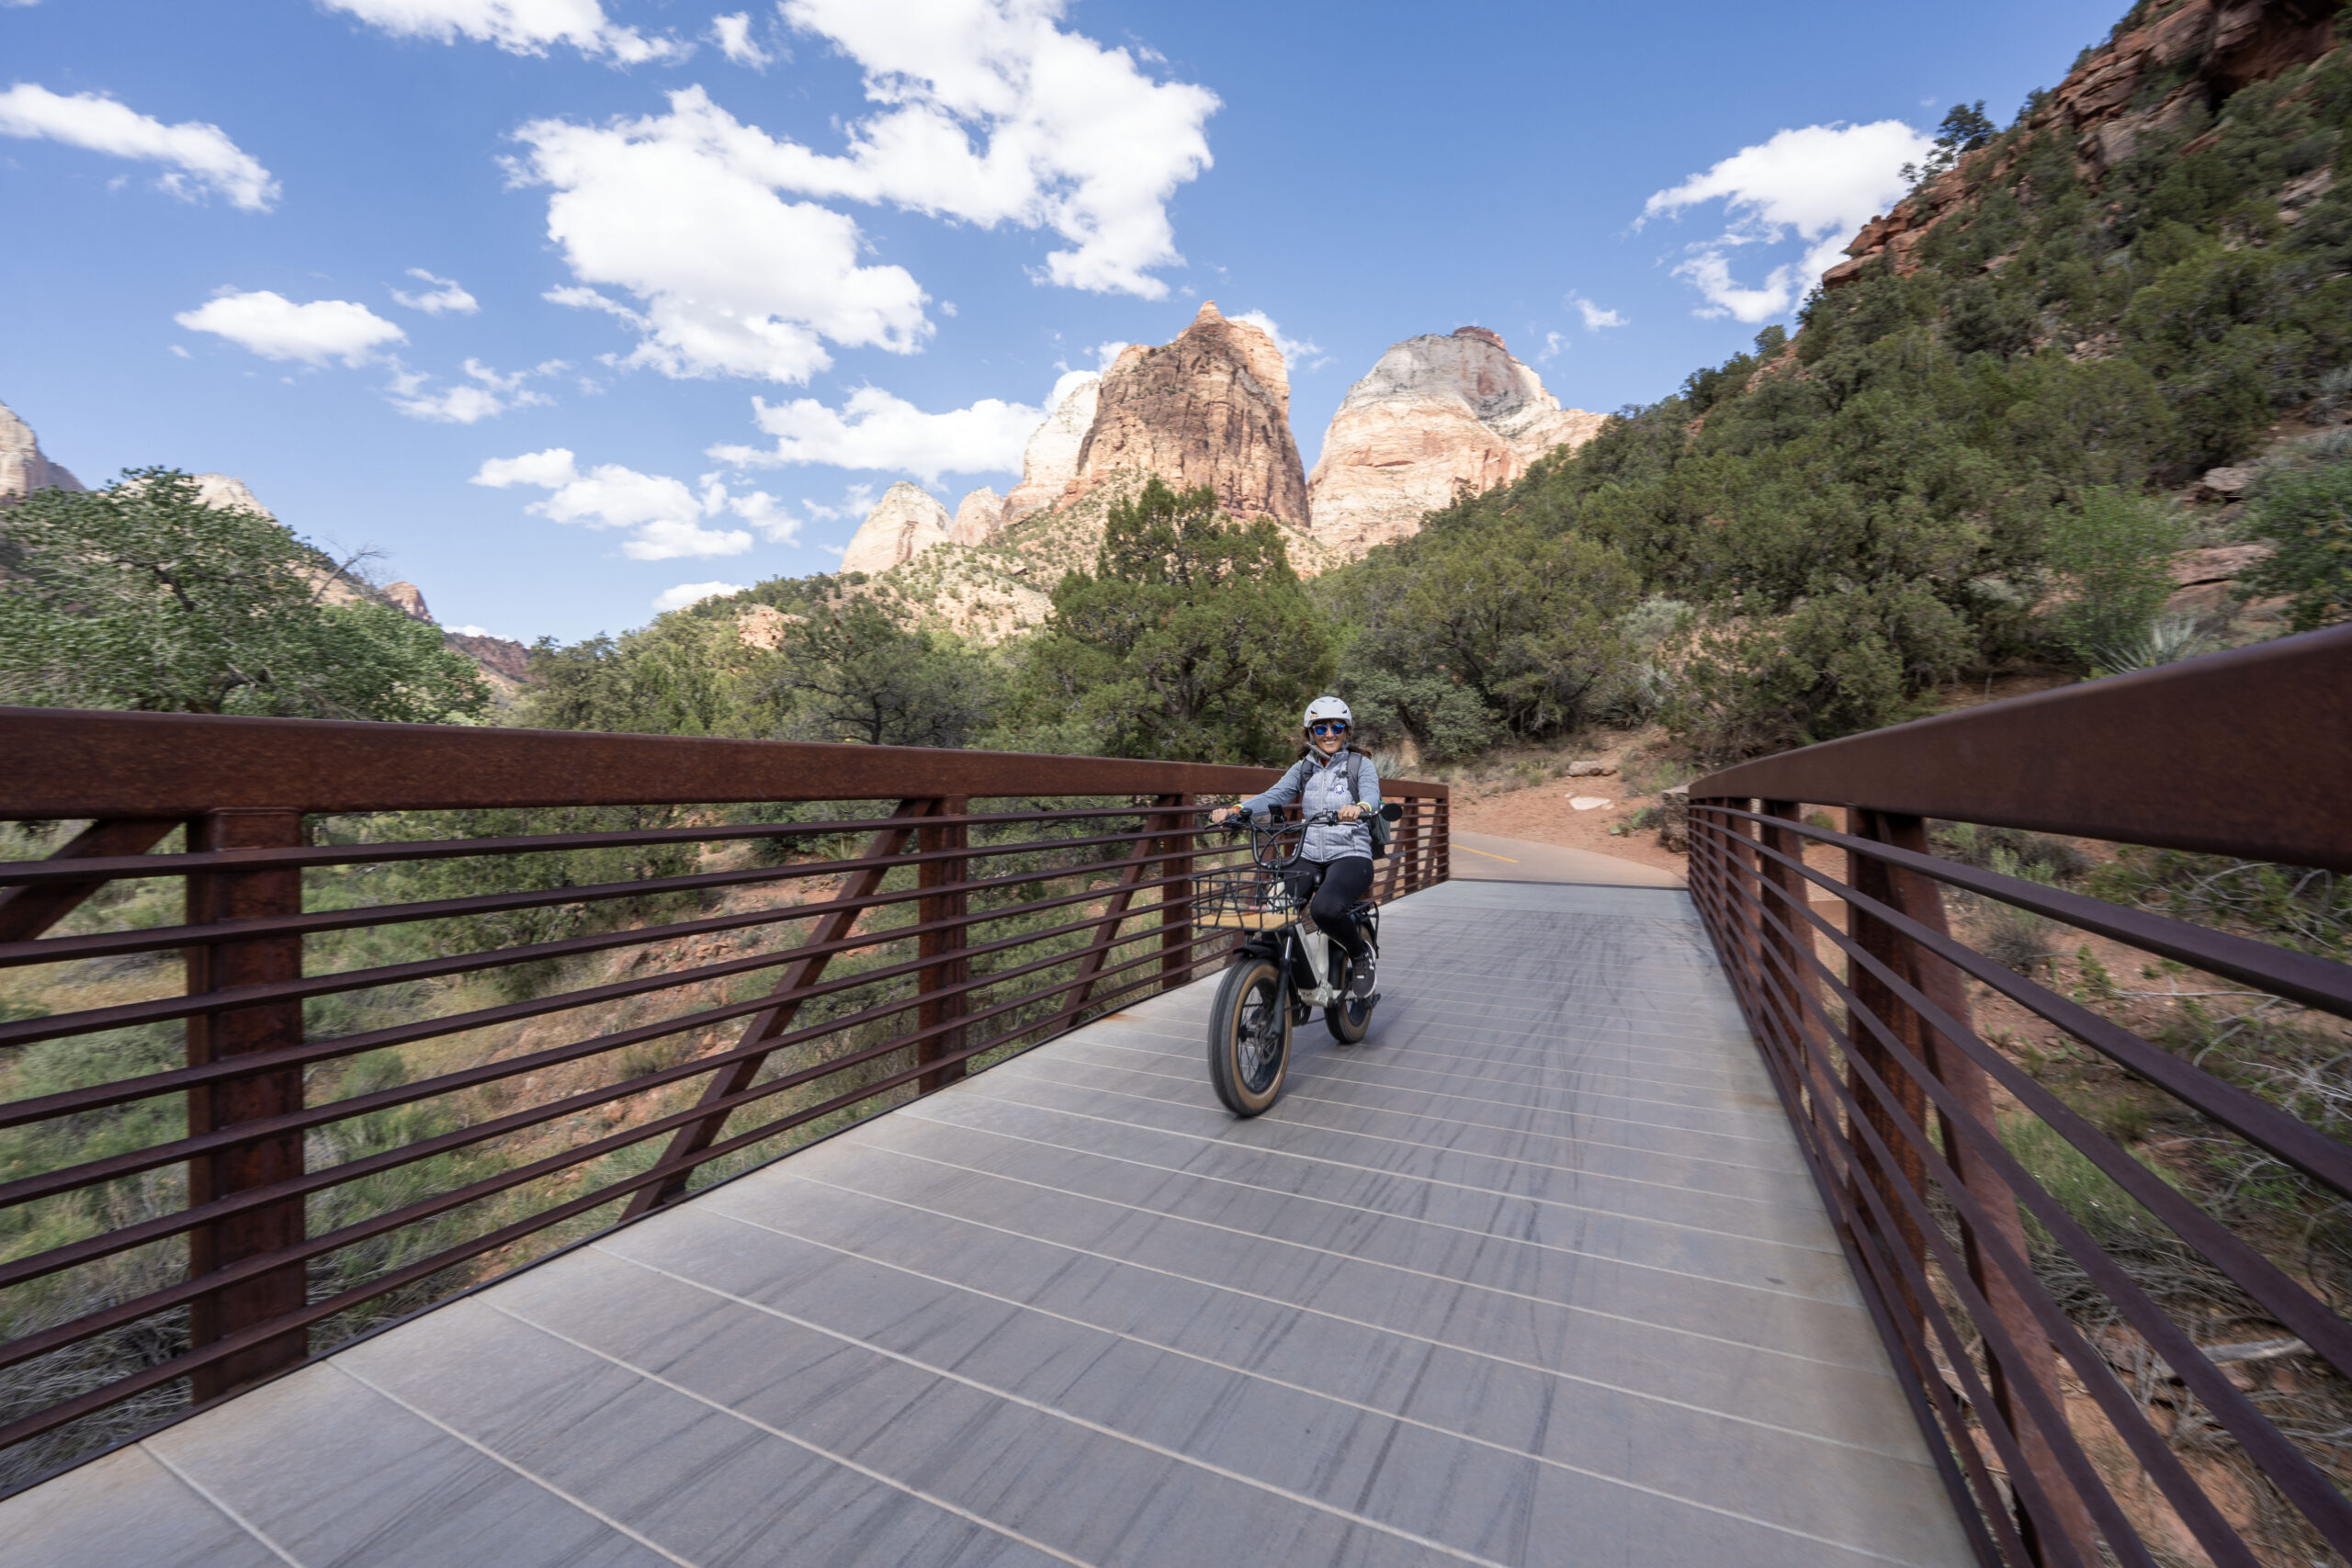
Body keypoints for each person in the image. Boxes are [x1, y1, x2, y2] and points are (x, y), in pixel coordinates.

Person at [1210, 695, 1381, 998]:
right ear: (1310, 733)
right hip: (1309, 855)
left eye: (1337, 726)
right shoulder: (1304, 769)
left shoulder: (1359, 765)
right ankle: (1280, 981)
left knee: (1324, 909)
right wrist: (1238, 810)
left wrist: (1360, 806)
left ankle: (1359, 954)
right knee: (1274, 912)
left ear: (1347, 730)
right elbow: (1274, 795)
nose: (1329, 733)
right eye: (1320, 728)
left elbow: (1371, 795)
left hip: (1351, 854)